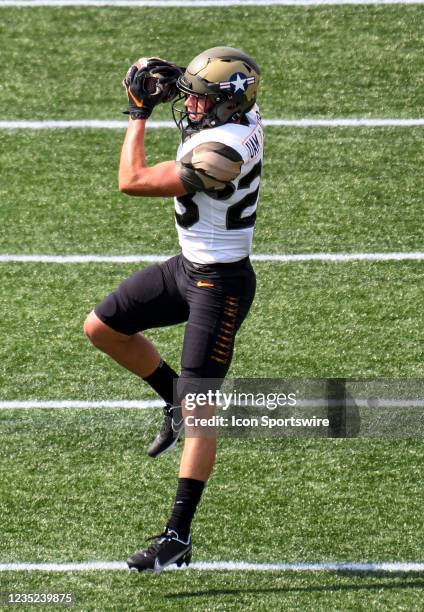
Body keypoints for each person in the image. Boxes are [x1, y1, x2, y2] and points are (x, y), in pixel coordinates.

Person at [83, 47, 264, 572]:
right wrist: (172, 76)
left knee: (202, 405)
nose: (192, 107)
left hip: (220, 284)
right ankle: (171, 400)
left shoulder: (224, 153)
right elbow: (212, 95)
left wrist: (139, 112)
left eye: (203, 100)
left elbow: (132, 180)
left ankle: (177, 535)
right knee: (102, 327)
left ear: (228, 107)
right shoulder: (242, 113)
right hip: (187, 266)